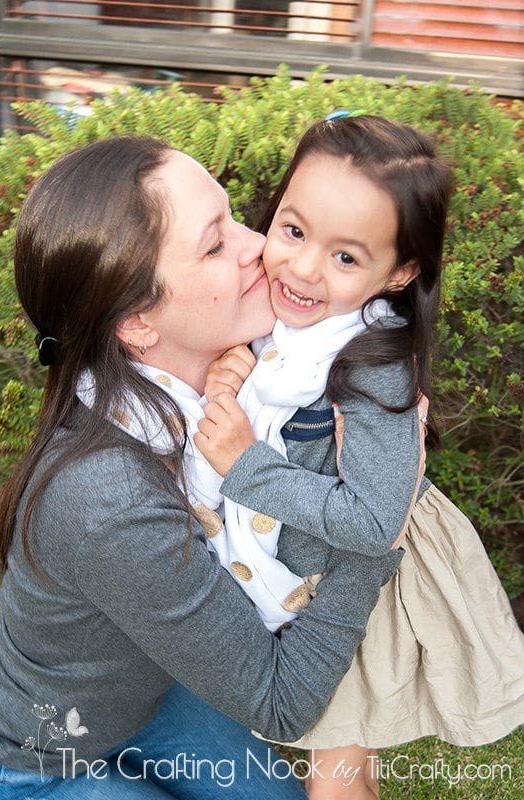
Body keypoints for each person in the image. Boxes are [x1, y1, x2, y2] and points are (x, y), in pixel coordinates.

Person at [0, 135, 404, 798]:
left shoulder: (238, 369)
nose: (259, 246)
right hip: (38, 747)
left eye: (236, 215)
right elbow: (280, 700)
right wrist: (374, 538)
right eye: (215, 244)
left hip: (144, 682)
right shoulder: (109, 498)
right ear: (137, 323)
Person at [194, 114, 524, 799]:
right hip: (298, 562)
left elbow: (376, 523)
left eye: (347, 257)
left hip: (349, 581)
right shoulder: (278, 313)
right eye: (294, 230)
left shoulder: (374, 365)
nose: (306, 268)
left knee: (338, 778)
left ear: (401, 272)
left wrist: (244, 462)